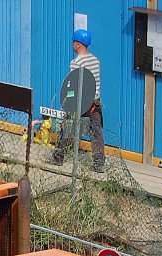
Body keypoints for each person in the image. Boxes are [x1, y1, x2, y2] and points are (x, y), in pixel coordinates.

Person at [51, 28, 105, 173]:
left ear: (78, 44)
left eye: (74, 42)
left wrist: (68, 103)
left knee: (68, 129)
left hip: (80, 103)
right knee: (96, 133)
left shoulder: (76, 62)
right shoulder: (96, 60)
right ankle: (99, 163)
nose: (72, 45)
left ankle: (58, 157)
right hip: (94, 102)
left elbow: (73, 86)